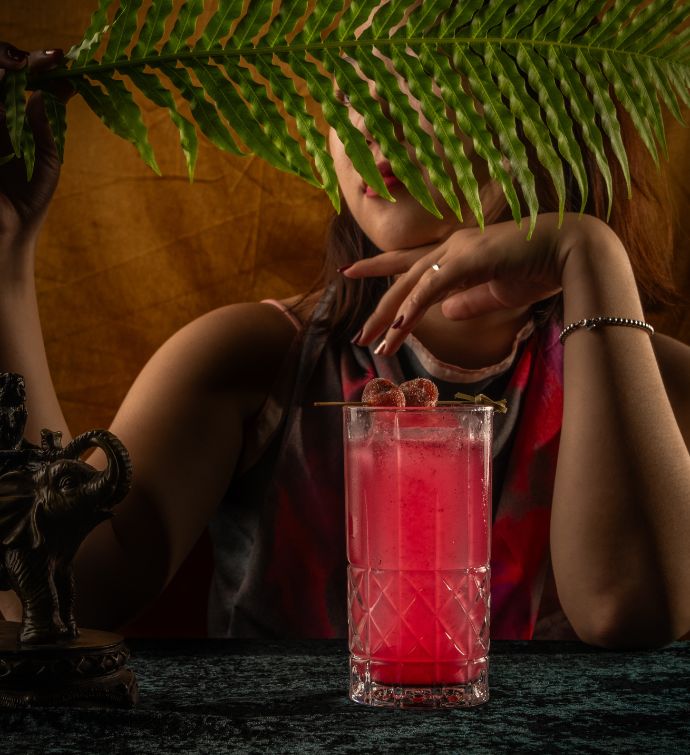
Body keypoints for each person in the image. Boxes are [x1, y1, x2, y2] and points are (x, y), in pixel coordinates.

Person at [0, 42, 689, 648]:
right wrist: (6, 260)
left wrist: (590, 251)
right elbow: (60, 593)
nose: (371, 122)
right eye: (351, 81)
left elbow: (626, 610)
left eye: (429, 77)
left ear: (553, 112)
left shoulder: (656, 395)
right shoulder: (249, 360)